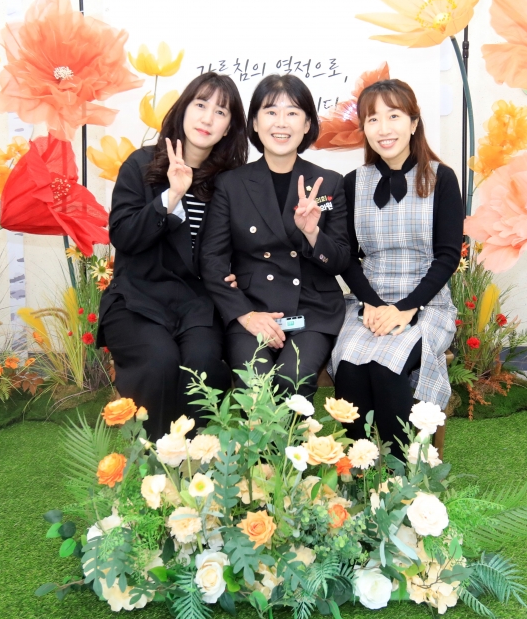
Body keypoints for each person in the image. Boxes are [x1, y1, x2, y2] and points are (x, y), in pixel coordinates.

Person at [97, 72, 247, 439]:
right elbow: (124, 236)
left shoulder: (229, 182)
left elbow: (241, 244)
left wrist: (238, 273)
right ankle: (154, 457)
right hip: (137, 299)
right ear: (182, 110)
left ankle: (199, 460)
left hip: (197, 305)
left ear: (228, 128)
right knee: (159, 361)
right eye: (200, 105)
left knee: (203, 365)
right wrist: (171, 196)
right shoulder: (141, 164)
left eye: (221, 112)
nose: (208, 118)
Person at [330, 79, 462, 459]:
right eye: (373, 119)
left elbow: (447, 256)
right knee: (350, 367)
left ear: (414, 123)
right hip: (367, 301)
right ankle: (358, 468)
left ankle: (400, 473)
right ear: (364, 128)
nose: (383, 128)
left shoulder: (441, 178)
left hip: (426, 301)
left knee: (386, 368)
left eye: (394, 116)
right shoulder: (354, 183)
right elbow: (347, 256)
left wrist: (406, 308)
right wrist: (371, 303)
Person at [200, 74, 349, 399]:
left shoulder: (328, 183)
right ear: (254, 122)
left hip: (311, 311)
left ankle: (293, 436)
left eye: (292, 112)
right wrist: (246, 314)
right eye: (271, 112)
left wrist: (312, 233)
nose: (281, 122)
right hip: (252, 309)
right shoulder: (231, 184)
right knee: (255, 385)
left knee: (292, 381)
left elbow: (340, 260)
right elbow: (212, 260)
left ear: (307, 124)